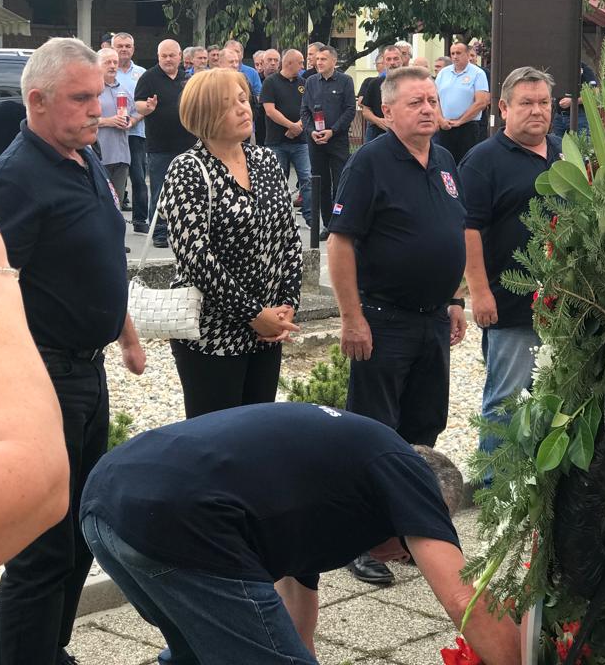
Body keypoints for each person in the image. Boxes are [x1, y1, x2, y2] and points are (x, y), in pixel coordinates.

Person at [80, 403, 520, 665]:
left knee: (197, 654)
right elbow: (463, 599)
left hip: (106, 502)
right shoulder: (407, 469)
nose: (406, 558)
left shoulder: (338, 488)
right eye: (412, 546)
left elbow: (293, 615)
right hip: (174, 518)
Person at [0, 37, 146, 665]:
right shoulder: (14, 181)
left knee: (77, 534)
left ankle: (53, 649)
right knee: (40, 547)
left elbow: (99, 257)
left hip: (87, 374)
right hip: (43, 378)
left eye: (98, 95)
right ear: (38, 101)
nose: (98, 109)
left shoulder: (83, 156)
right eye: (81, 98)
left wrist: (125, 332)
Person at [327, 65, 469, 585]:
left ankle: (409, 533)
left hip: (433, 322)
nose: (428, 109)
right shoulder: (369, 163)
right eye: (416, 102)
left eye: (432, 100)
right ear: (387, 111)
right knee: (373, 434)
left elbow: (451, 232)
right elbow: (340, 242)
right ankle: (360, 540)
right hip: (383, 321)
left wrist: (455, 298)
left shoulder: (444, 160)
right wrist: (352, 317)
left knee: (423, 429)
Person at [158, 69, 301, 421]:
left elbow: (289, 237)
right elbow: (195, 257)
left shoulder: (265, 160)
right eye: (228, 104)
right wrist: (253, 314)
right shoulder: (188, 170)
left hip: (268, 331)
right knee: (216, 440)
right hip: (212, 335)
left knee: (258, 434)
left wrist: (287, 304)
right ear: (204, 114)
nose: (243, 109)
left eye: (243, 99)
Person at [0, 179, 69, 586]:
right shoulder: (13, 179)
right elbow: (37, 481)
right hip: (37, 371)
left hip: (77, 371)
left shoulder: (86, 170)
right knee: (38, 565)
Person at [458, 66, 562, 456]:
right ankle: (494, 481)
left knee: (551, 400)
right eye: (526, 103)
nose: (537, 110)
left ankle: (537, 481)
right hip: (510, 302)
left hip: (564, 305)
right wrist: (479, 292)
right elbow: (468, 229)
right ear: (503, 108)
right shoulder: (482, 161)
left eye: (544, 102)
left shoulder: (563, 154)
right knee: (507, 401)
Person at [134, 38, 195, 248]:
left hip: (188, 145)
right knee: (160, 191)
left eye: (171, 55)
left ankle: (184, 230)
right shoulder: (148, 77)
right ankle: (159, 232)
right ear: (158, 56)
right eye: (164, 56)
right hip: (160, 146)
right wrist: (147, 108)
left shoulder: (187, 78)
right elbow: (138, 104)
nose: (168, 59)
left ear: (180, 57)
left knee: (187, 191)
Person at [301, 45, 355, 240]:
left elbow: (350, 110)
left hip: (337, 140)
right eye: (317, 59)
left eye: (323, 59)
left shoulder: (345, 81)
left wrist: (333, 131)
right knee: (320, 183)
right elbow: (304, 111)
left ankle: (341, 224)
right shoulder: (311, 82)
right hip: (316, 141)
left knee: (340, 182)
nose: (319, 62)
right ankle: (328, 224)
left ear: (334, 61)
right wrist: (311, 131)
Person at [261, 49, 312, 226]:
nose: (303, 66)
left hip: (301, 142)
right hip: (276, 141)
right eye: (300, 62)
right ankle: (281, 220)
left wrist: (299, 126)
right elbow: (269, 110)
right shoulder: (270, 82)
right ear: (289, 63)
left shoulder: (304, 83)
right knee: (277, 181)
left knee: (307, 178)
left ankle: (311, 219)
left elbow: (309, 108)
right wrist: (290, 125)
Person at [112, 31, 149, 232]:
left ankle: (140, 221)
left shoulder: (142, 73)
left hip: (135, 132)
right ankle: (111, 222)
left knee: (138, 178)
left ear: (133, 49)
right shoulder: (106, 70)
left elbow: (147, 104)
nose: (124, 49)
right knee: (112, 179)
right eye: (120, 46)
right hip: (111, 133)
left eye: (127, 46)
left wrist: (134, 119)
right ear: (113, 48)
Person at [435, 40, 490, 164]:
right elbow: (434, 99)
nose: (455, 56)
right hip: (446, 127)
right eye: (452, 53)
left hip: (468, 127)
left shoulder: (478, 73)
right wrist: (440, 119)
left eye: (458, 53)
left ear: (467, 54)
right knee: (445, 163)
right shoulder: (443, 73)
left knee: (466, 163)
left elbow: (481, 102)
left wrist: (460, 121)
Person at [96, 48, 135, 207]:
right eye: (108, 62)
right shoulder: (93, 91)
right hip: (99, 156)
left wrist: (130, 122)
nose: (112, 66)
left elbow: (133, 114)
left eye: (115, 62)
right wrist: (108, 121)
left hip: (121, 156)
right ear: (97, 65)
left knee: (116, 205)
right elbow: (82, 120)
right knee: (100, 204)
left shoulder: (123, 91)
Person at [360, 45, 403, 142]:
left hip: (404, 134)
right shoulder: (375, 84)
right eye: (388, 59)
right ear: (384, 62)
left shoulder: (411, 83)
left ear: (402, 60)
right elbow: (366, 111)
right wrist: (378, 121)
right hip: (377, 134)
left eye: (396, 58)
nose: (392, 63)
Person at [552, 61, 597, 138]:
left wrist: (572, 101)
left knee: (581, 143)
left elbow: (594, 93)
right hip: (559, 116)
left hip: (579, 116)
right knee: (557, 143)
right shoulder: (559, 68)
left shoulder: (585, 69)